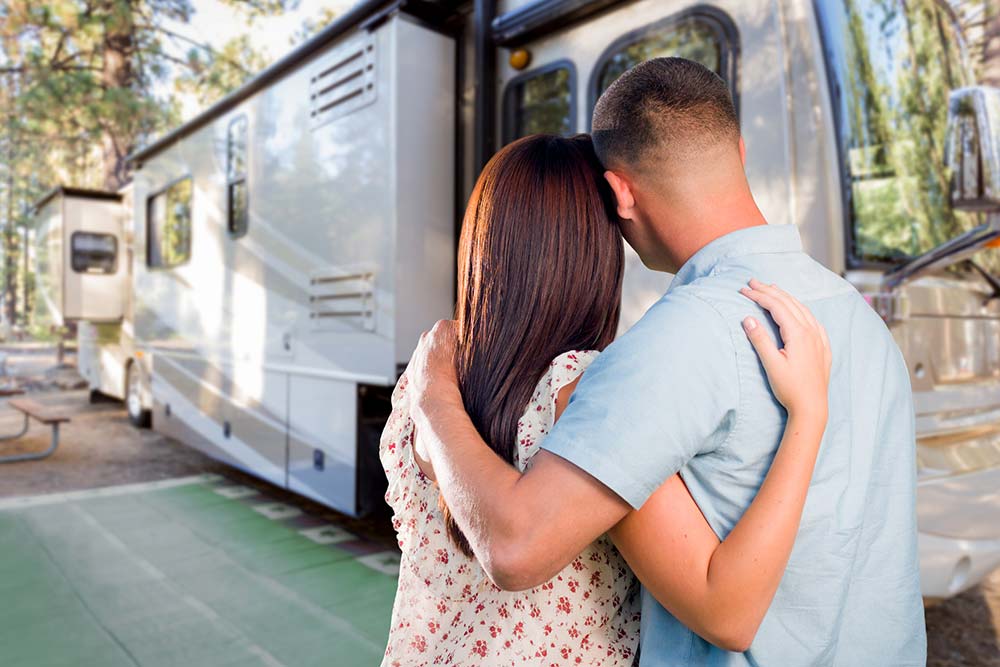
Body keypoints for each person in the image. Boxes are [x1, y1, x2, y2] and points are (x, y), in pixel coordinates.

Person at [407, 57, 926, 666]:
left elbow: (517, 547)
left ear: (619, 193)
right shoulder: (858, 317)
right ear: (737, 147)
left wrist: (431, 396)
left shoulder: (675, 340)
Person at [381, 133, 831, 666]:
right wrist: (808, 414)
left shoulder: (431, 374)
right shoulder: (583, 392)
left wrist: (434, 396)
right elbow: (725, 610)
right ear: (595, 253)